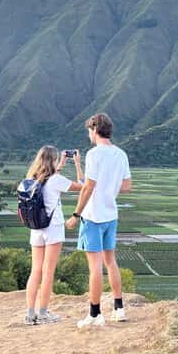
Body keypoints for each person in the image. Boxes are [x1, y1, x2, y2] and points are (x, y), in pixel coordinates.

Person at [65, 113, 132, 327]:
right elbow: (126, 186)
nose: (88, 135)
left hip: (92, 217)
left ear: (95, 129)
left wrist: (76, 215)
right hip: (111, 215)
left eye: (88, 131)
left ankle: (94, 314)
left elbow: (88, 187)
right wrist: (108, 188)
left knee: (95, 268)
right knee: (110, 262)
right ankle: (119, 308)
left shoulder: (94, 154)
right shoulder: (120, 154)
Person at [24, 146, 83, 325]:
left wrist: (62, 164)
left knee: (35, 270)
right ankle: (43, 313)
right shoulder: (56, 180)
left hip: (36, 229)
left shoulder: (30, 179)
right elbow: (82, 186)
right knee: (48, 272)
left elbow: (49, 178)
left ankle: (30, 314)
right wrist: (78, 165)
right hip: (53, 229)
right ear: (53, 160)